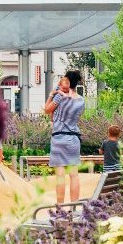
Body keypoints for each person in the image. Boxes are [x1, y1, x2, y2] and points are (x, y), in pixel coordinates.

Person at [43, 70, 86, 204]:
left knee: (60, 176)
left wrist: (52, 94)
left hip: (58, 138)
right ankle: (74, 206)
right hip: (73, 139)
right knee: (74, 175)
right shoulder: (81, 100)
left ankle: (60, 207)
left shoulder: (59, 97)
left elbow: (47, 110)